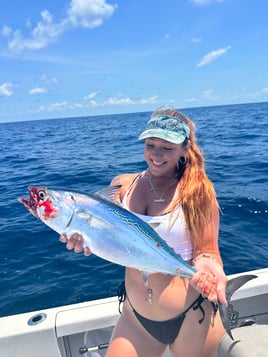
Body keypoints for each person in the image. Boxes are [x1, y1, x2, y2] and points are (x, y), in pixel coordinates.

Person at [60, 108, 227, 357]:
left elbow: (208, 252)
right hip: (135, 319)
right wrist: (82, 236)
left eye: (167, 148)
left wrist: (208, 268)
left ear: (184, 149)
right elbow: (106, 228)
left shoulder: (198, 194)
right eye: (150, 144)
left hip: (193, 317)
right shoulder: (122, 184)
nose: (156, 155)